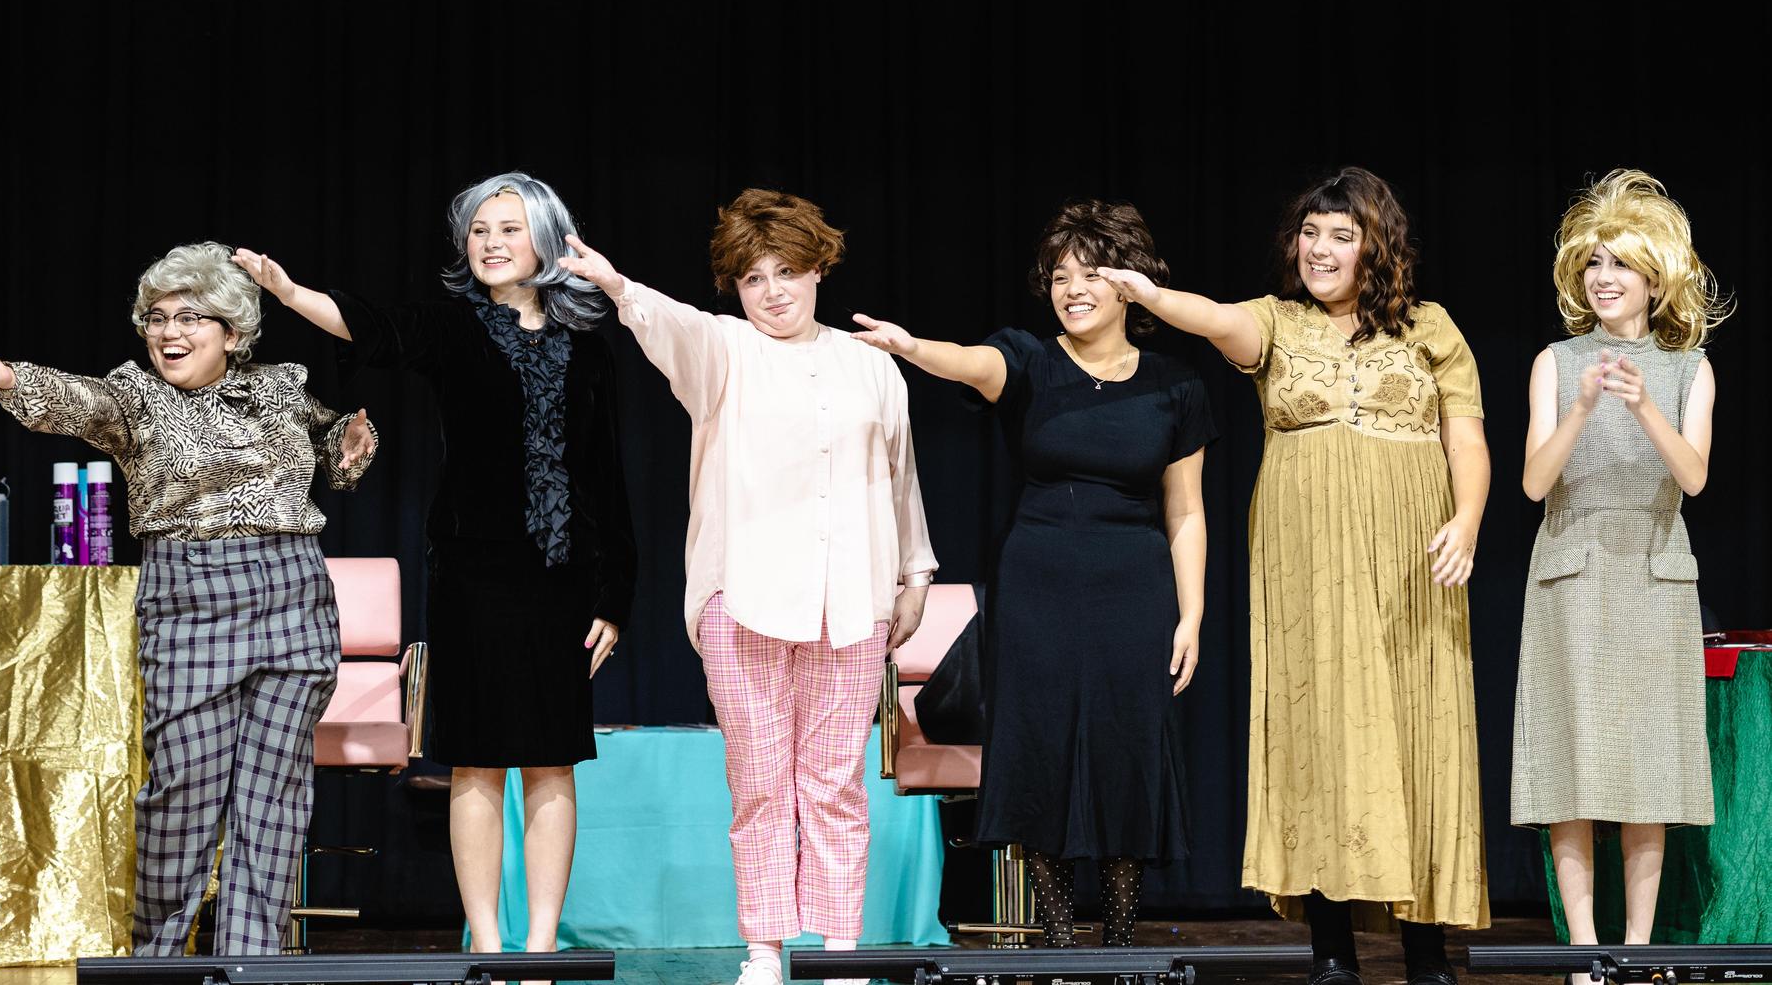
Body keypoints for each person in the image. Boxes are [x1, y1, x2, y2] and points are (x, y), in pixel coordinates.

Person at [231, 172, 635, 969]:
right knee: (476, 758)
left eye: (508, 229)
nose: (490, 242)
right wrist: (287, 291)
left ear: (545, 240)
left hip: (562, 581)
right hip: (472, 579)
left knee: (552, 760)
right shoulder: (453, 327)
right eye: (479, 230)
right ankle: (486, 943)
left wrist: (615, 596)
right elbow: (372, 327)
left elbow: (608, 478)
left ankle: (541, 948)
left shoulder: (590, 346)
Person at [1097, 167, 1490, 984]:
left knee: (1418, 728)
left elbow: (1467, 438)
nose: (1320, 248)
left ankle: (1426, 950)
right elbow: (1215, 319)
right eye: (1310, 233)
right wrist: (1150, 295)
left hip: (1411, 557)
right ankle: (1333, 949)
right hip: (1307, 557)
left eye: (1341, 235)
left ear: (1376, 247)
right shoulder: (1277, 322)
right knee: (1321, 733)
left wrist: (1467, 520)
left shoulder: (1432, 326)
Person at [0, 241, 377, 955]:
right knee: (182, 792)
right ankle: (159, 960)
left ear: (232, 333)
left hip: (292, 595)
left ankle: (249, 962)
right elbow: (79, 400)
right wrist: (11, 377)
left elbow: (330, 448)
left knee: (272, 799)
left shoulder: (281, 389)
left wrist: (350, 446)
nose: (168, 333)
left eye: (189, 318)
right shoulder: (137, 398)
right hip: (190, 601)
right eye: (157, 318)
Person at [557, 188, 936, 985]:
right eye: (754, 277)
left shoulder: (871, 364)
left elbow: (900, 475)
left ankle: (840, 950)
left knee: (836, 785)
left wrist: (916, 572)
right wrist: (617, 285)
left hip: (852, 598)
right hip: (744, 598)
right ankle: (763, 950)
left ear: (819, 269)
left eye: (787, 271)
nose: (772, 291)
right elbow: (669, 324)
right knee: (760, 785)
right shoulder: (724, 350)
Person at [852, 199, 1213, 947]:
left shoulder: (1175, 385)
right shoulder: (1028, 359)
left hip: (1136, 587)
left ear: (1130, 284)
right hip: (1038, 583)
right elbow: (970, 361)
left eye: (1090, 274)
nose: (1072, 289)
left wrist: (1192, 614)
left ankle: (1119, 941)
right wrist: (911, 346)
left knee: (1125, 750)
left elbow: (1186, 511)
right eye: (1058, 276)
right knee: (1039, 746)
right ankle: (1057, 935)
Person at [1512, 168, 1725, 964]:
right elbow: (1535, 483)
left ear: (1654, 279)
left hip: (1654, 572)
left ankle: (1635, 950)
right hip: (1570, 573)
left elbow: (1694, 477)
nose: (1603, 277)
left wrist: (1640, 403)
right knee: (1570, 763)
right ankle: (1584, 950)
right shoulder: (1556, 361)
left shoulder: (1689, 367)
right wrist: (1581, 406)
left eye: (1621, 264)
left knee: (1648, 765)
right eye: (1594, 263)